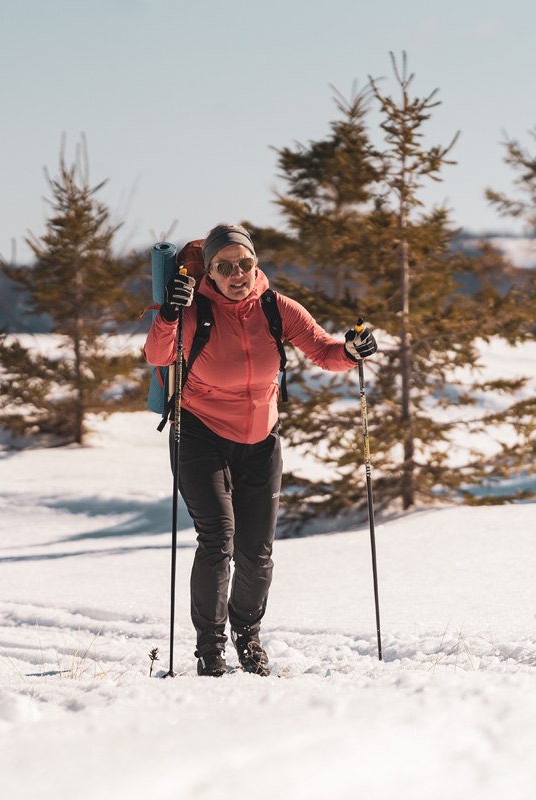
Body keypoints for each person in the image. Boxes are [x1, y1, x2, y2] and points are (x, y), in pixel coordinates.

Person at [144, 223, 377, 677]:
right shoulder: (192, 311)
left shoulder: (276, 307)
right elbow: (157, 355)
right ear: (210, 272)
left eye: (245, 263)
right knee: (218, 538)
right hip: (200, 433)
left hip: (260, 439)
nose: (237, 274)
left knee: (257, 552)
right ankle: (210, 649)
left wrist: (352, 350)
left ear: (256, 264)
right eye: (224, 267)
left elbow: (324, 351)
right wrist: (169, 314)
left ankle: (247, 636)